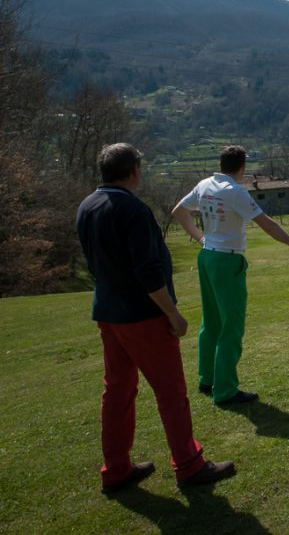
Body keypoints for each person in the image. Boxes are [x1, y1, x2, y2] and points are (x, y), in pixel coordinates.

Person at [76, 143, 235, 493]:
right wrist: (173, 313)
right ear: (133, 169)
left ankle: (116, 469)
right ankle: (190, 466)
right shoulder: (132, 210)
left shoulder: (87, 206)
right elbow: (148, 272)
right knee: (171, 392)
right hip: (144, 316)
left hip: (108, 312)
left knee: (116, 392)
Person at [171, 145, 289, 405]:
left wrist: (201, 237)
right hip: (228, 260)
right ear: (242, 167)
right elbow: (267, 224)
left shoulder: (204, 185)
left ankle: (208, 379)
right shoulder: (235, 192)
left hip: (207, 257)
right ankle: (224, 390)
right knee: (231, 326)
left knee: (211, 321)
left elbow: (179, 212)